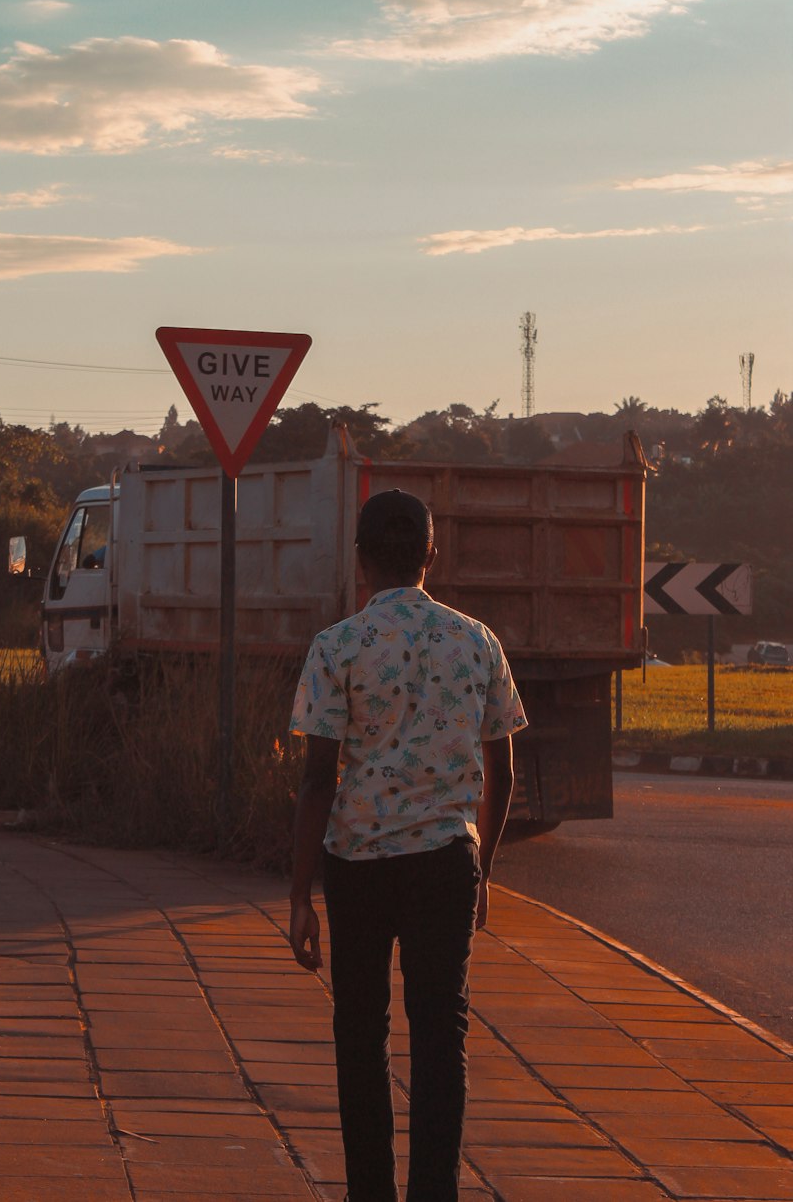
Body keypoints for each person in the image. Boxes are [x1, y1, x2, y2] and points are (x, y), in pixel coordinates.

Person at [288, 488, 528, 1202]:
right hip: (444, 865)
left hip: (357, 866)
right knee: (440, 1035)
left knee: (360, 1035)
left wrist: (300, 896)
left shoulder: (337, 647)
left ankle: (371, 1193)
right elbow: (505, 771)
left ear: (360, 560)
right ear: (432, 554)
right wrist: (482, 870)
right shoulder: (477, 641)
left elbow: (316, 781)